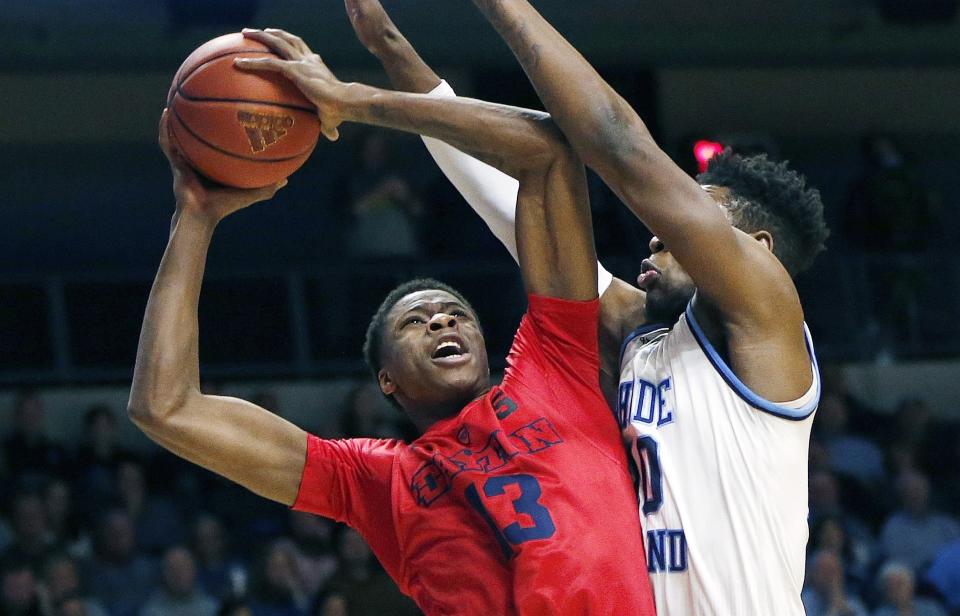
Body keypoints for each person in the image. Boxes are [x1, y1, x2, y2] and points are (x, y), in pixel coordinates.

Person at [128, 30, 655, 615]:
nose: (439, 321)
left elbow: (546, 148)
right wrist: (194, 219)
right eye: (416, 322)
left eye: (456, 315)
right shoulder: (378, 480)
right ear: (387, 382)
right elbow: (164, 407)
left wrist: (353, 101)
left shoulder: (552, 370)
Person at [334, 0, 828, 613]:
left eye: (696, 212)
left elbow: (617, 144)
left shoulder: (767, 324)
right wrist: (389, 48)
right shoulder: (636, 332)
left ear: (757, 253)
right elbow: (507, 208)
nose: (656, 231)